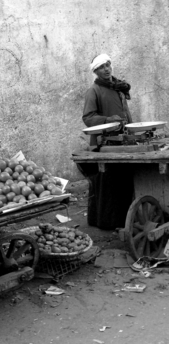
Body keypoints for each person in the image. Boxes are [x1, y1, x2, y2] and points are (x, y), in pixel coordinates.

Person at [81, 54, 134, 230]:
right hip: (105, 143)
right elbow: (88, 118)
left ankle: (126, 219)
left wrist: (132, 130)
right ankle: (107, 222)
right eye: (101, 67)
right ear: (96, 71)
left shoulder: (118, 88)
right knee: (108, 184)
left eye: (108, 65)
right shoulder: (93, 91)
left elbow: (125, 113)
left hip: (123, 141)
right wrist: (107, 121)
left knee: (124, 182)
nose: (106, 69)